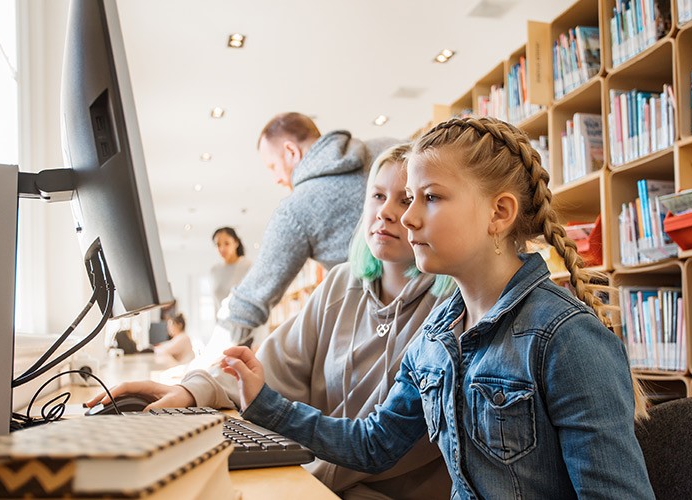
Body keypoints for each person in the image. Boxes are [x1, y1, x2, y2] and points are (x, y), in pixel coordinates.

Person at [221, 117, 656, 499]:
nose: (407, 218)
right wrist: (263, 402)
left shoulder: (565, 338)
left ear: (499, 213)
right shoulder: (436, 335)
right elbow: (373, 445)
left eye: (429, 198)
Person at [88, 144, 455, 499]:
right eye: (377, 196)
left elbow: (386, 444)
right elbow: (266, 369)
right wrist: (189, 391)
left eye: (405, 199)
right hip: (316, 478)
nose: (388, 212)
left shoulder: (453, 307)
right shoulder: (341, 284)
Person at [222, 112, 396, 345]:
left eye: (273, 166)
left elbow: (250, 302)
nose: (275, 178)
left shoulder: (296, 209)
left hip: (382, 334)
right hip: (446, 309)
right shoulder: (390, 149)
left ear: (291, 152)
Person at [209, 227, 251, 316]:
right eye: (218, 245)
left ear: (236, 243)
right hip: (225, 326)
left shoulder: (248, 267)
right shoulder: (214, 270)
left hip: (248, 326)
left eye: (227, 243)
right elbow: (216, 306)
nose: (222, 249)